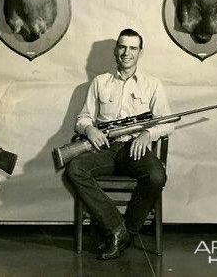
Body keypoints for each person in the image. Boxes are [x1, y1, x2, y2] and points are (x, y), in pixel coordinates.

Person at [65, 28, 173, 260]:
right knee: (75, 170)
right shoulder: (100, 82)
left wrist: (148, 134)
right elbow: (82, 118)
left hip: (136, 148)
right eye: (122, 47)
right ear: (116, 50)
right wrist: (90, 129)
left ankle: (126, 232)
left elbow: (168, 123)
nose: (127, 53)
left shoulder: (152, 84)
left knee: (156, 177)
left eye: (133, 48)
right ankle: (116, 228)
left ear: (140, 53)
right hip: (105, 149)